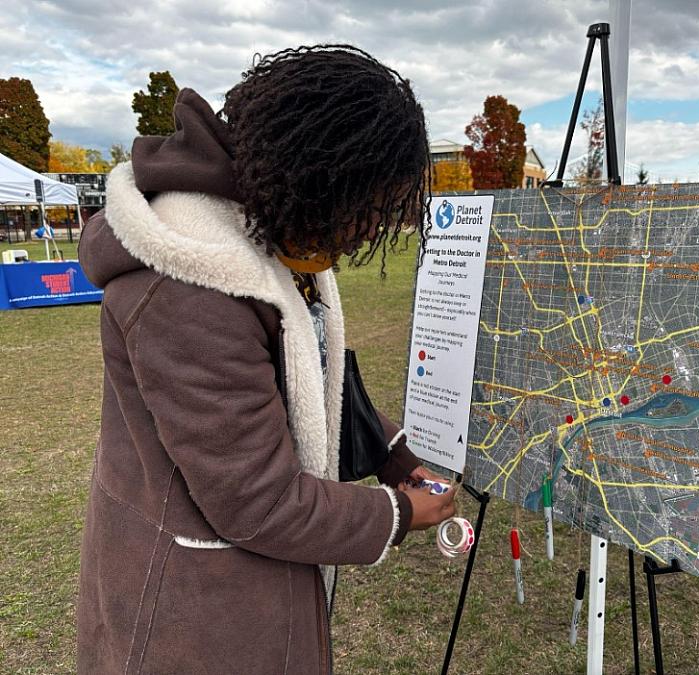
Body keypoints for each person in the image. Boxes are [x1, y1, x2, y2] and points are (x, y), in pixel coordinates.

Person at [76, 45, 455, 674]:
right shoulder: (189, 282)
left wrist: (392, 453)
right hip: (193, 617)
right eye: (368, 205)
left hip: (245, 594)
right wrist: (396, 515)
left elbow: (306, 383)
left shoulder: (276, 227)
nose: (368, 230)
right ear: (320, 176)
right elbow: (258, 502)